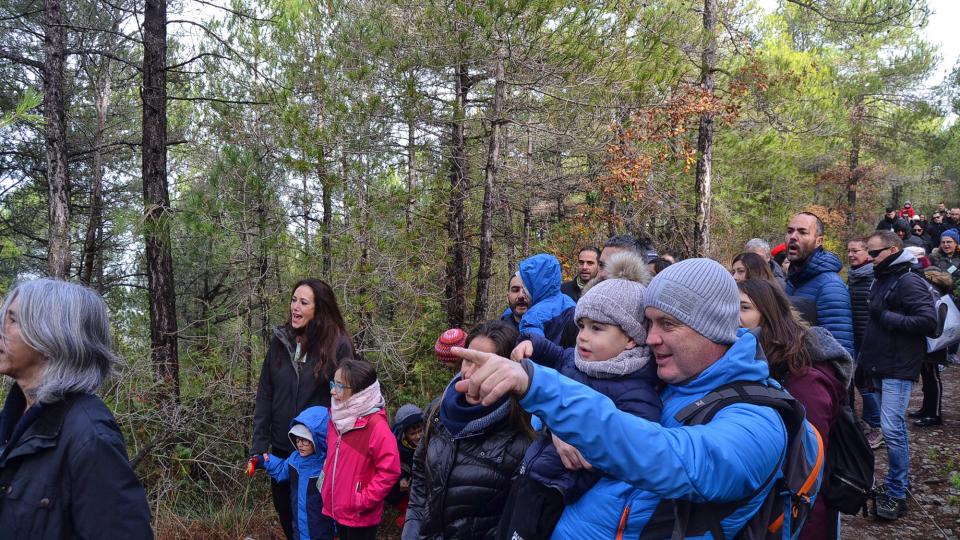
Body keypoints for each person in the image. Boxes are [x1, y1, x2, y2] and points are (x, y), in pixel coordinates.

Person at [450, 259, 797, 538]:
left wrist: (545, 392)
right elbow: (589, 405)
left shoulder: (758, 422)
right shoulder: (670, 375)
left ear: (711, 328)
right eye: (648, 323)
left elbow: (668, 456)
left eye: (668, 324)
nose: (650, 338)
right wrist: (559, 425)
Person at [498, 278, 662, 540]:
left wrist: (571, 430)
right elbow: (555, 354)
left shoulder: (635, 391)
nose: (583, 336)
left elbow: (631, 441)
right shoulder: (577, 360)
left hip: (557, 490)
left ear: (631, 338)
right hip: (531, 471)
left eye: (597, 328)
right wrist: (532, 344)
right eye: (582, 325)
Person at [0, 279, 152, 538]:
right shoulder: (13, 420)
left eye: (13, 320)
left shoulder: (90, 436)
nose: (2, 328)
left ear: (52, 337)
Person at [737, 279, 852, 539]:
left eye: (744, 308)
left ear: (769, 316)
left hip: (801, 512)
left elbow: (807, 461)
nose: (734, 316)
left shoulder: (804, 376)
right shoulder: (757, 360)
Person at [403, 321, 534, 540]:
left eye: (483, 364)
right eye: (467, 360)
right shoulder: (438, 412)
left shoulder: (521, 441)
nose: (469, 373)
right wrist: (411, 528)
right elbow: (420, 476)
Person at [252, 278, 355, 538]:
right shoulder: (281, 342)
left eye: (304, 302)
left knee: (316, 526)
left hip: (318, 456)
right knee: (289, 520)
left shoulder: (337, 344)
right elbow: (265, 394)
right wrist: (259, 446)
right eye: (293, 300)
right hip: (282, 448)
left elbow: (349, 398)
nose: (295, 307)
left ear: (319, 309)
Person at [859, 231, 938, 520]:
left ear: (892, 250)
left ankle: (896, 491)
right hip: (881, 363)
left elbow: (929, 321)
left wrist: (888, 317)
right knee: (889, 426)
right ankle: (894, 485)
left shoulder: (909, 280)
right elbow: (873, 323)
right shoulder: (882, 277)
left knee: (892, 428)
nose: (869, 257)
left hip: (899, 365)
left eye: (874, 252)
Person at [322, 359, 400, 540]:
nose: (333, 391)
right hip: (339, 506)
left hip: (360, 514)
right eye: (333, 384)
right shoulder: (337, 416)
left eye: (340, 387)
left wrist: (362, 500)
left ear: (360, 393)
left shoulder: (375, 426)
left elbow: (390, 471)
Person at [255, 407, 335, 540]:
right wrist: (263, 461)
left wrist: (338, 532)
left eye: (305, 440)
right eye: (297, 439)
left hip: (322, 531)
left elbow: (337, 503)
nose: (300, 444)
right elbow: (281, 469)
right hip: (299, 528)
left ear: (319, 439)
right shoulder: (295, 460)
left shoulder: (328, 467)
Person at [784, 212, 855, 354]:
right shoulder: (794, 280)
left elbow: (841, 351)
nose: (793, 237)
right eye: (790, 231)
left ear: (819, 241)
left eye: (802, 232)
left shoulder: (830, 286)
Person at [846, 237, 882, 445]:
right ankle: (869, 421)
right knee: (865, 381)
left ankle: (879, 425)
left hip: (870, 336)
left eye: (856, 251)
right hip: (856, 335)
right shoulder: (853, 275)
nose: (851, 255)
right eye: (849, 251)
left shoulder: (873, 275)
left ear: (867, 253)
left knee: (863, 382)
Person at [910, 267, 952, 428]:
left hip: (934, 340)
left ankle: (934, 414)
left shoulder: (931, 289)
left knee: (932, 377)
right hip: (934, 338)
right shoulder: (937, 288)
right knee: (928, 376)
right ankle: (927, 409)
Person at [516, 254, 576, 344]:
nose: (523, 291)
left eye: (525, 285)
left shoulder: (533, 316)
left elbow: (534, 349)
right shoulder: (569, 301)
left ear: (533, 284)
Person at [386, 404, 425, 527]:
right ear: (404, 434)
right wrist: (401, 479)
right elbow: (396, 465)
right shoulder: (398, 447)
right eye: (413, 433)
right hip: (410, 480)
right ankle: (408, 510)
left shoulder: (431, 440)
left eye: (420, 431)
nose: (418, 436)